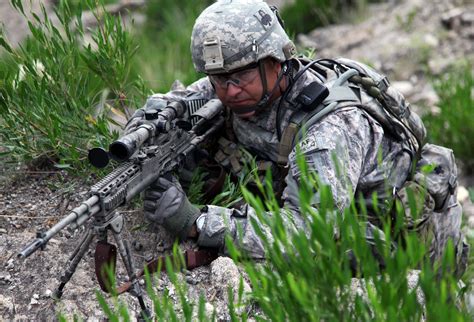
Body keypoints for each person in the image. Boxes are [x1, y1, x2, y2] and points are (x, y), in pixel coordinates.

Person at [126, 0, 468, 275]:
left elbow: (307, 234)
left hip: (409, 257)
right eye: (218, 78)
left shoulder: (329, 130)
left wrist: (196, 222)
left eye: (241, 75)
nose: (229, 91)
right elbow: (187, 98)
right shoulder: (246, 87)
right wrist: (147, 123)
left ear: (276, 60)